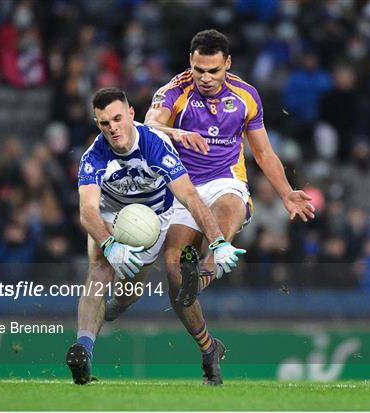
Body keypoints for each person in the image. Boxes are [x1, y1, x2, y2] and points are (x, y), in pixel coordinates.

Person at [105, 29, 316, 385]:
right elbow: (150, 124)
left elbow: (263, 152)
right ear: (191, 62)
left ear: (227, 64)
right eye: (199, 69)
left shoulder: (246, 96)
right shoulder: (173, 91)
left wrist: (285, 192)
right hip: (181, 187)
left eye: (213, 70)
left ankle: (207, 264)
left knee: (231, 203)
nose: (205, 78)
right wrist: (177, 133)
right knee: (173, 265)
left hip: (225, 180)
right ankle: (208, 347)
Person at [66, 87, 245, 385]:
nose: (112, 128)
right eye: (103, 123)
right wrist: (109, 244)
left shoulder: (155, 145)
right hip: (111, 217)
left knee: (129, 295)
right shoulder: (94, 156)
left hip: (153, 221)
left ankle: (115, 308)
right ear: (97, 124)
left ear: (131, 114)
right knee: (99, 269)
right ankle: (83, 350)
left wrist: (218, 241)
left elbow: (190, 196)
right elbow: (87, 211)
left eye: (117, 119)